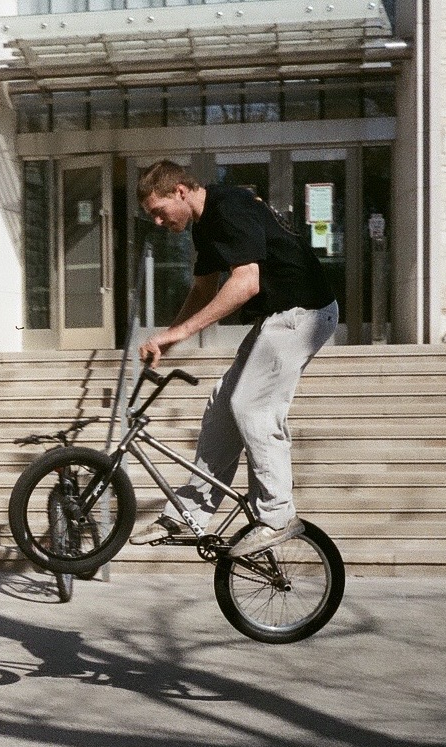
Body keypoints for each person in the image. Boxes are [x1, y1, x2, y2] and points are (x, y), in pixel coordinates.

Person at [129, 160, 339, 558]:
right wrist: (169, 339)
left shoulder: (230, 207)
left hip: (305, 312)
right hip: (277, 317)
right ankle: (189, 511)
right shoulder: (205, 225)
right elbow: (203, 290)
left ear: (180, 192)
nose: (157, 222)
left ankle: (277, 514)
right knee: (222, 405)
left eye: (158, 211)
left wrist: (179, 333)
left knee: (253, 406)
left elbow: (246, 283)